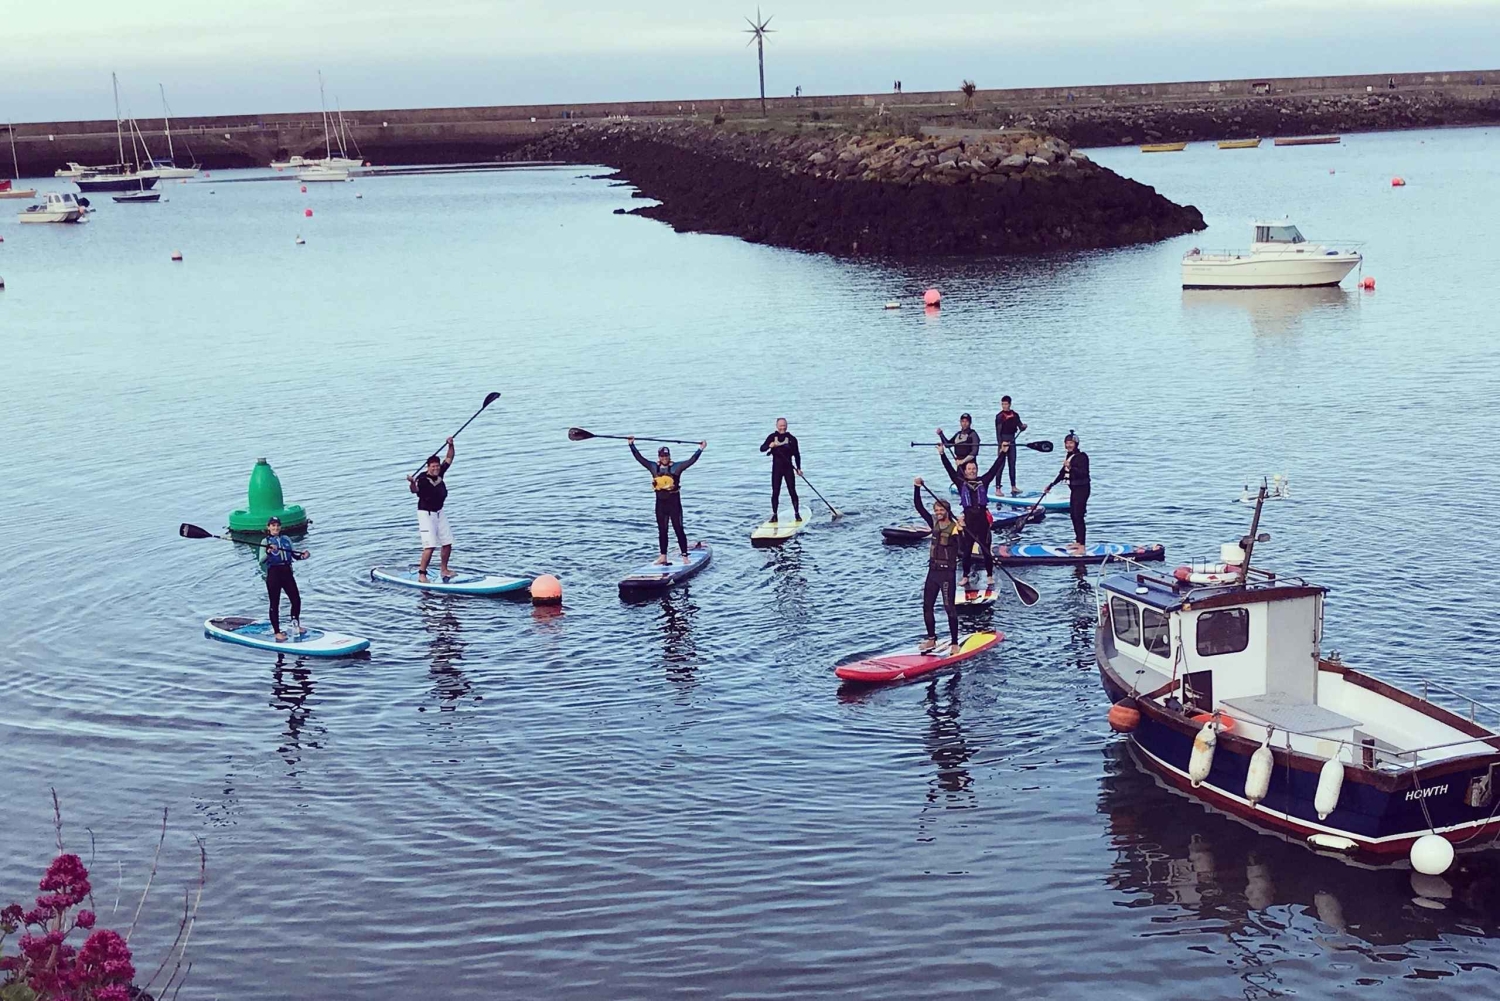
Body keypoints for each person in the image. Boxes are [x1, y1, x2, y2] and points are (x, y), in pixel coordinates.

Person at [630, 437, 706, 564]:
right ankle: (663, 556)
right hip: (660, 505)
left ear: (669, 456)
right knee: (662, 530)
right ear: (659, 457)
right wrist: (631, 445)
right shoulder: (653, 467)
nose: (664, 458)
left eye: (666, 456)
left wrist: (700, 449)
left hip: (674, 504)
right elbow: (640, 459)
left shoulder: (677, 467)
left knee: (678, 529)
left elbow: (691, 461)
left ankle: (685, 557)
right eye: (662, 456)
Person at [939, 443, 1003, 591]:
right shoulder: (961, 482)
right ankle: (966, 575)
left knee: (986, 549)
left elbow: (995, 468)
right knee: (966, 550)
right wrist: (942, 454)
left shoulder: (984, 481)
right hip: (968, 521)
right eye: (969, 469)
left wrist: (1003, 453)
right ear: (965, 471)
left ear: (976, 470)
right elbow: (949, 470)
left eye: (974, 469)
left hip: (982, 521)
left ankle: (989, 575)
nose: (972, 471)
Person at [912, 478, 964, 653]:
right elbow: (919, 506)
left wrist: (962, 530)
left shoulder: (955, 528)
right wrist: (916, 487)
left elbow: (963, 549)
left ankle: (955, 642)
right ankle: (931, 639)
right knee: (927, 606)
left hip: (947, 573)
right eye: (936, 510)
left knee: (949, 608)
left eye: (941, 510)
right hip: (932, 572)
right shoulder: (933, 522)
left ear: (947, 511)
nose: (938, 512)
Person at [406, 437, 456, 582]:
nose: (436, 468)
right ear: (428, 467)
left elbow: (449, 458)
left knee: (447, 543)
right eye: (433, 466)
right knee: (430, 546)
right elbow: (414, 491)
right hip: (426, 514)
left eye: (437, 466)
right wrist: (411, 483)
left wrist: (451, 445)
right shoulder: (421, 479)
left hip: (440, 512)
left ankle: (444, 570)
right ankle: (422, 574)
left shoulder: (440, 472)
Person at [262, 516, 309, 642]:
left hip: (287, 572)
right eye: (273, 525)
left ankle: (295, 625)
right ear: (268, 527)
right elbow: (261, 560)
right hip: (274, 574)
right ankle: (277, 632)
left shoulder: (286, 539)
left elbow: (293, 555)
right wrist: (269, 551)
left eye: (277, 525)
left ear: (280, 527)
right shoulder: (265, 542)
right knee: (275, 603)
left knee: (296, 599)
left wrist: (303, 556)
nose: (275, 528)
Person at [1048, 430, 1091, 554]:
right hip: (1074, 489)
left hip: (1083, 489)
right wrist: (1051, 485)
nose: (1068, 445)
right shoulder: (1069, 456)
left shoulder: (1082, 457)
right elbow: (1063, 473)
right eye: (1067, 443)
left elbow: (1083, 473)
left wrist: (1071, 466)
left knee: (1079, 515)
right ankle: (1078, 541)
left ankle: (1082, 545)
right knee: (1073, 515)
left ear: (1076, 443)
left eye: (1071, 443)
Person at [759, 418, 802, 523]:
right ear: (777, 426)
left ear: (786, 426)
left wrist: (798, 468)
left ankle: (797, 514)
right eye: (780, 426)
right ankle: (774, 515)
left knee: (792, 491)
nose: (782, 428)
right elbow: (762, 448)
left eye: (784, 425)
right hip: (777, 469)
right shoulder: (772, 437)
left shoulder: (792, 439)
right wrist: (769, 445)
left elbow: (797, 454)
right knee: (775, 492)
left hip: (788, 468)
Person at [993, 396, 1028, 496]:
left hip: (1012, 441)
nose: (1004, 406)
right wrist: (1001, 445)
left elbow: (1020, 426)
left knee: (1012, 464)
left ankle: (1013, 487)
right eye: (1002, 404)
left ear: (1009, 404)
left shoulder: (1015, 415)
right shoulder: (999, 416)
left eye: (1006, 404)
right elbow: (998, 432)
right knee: (1000, 465)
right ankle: (998, 489)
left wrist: (1023, 427)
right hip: (1003, 442)